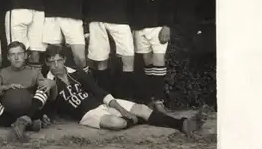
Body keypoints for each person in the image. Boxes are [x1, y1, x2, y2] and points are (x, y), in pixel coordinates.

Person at [43, 45, 206, 135]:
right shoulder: (47, 82)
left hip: (100, 103)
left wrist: (120, 108)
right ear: (47, 63)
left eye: (59, 60)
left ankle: (182, 124)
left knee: (142, 108)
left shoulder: (76, 73)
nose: (56, 65)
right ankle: (138, 119)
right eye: (52, 62)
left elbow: (98, 91)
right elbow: (48, 102)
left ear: (64, 60)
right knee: (117, 123)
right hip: (86, 114)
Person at [132, 0, 180, 113]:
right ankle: (150, 99)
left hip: (159, 23)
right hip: (140, 22)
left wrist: (167, 25)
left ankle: (159, 100)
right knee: (147, 62)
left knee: (159, 61)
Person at [0, 41, 52, 139]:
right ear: (8, 57)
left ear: (26, 55)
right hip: (7, 111)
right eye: (13, 55)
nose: (16, 58)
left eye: (19, 54)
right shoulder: (3, 72)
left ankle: (26, 119)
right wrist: (6, 87)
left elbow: (45, 86)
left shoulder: (34, 72)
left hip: (29, 108)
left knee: (44, 87)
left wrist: (47, 84)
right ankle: (25, 123)